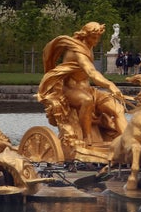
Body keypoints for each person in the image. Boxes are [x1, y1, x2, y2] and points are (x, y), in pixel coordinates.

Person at [36, 22, 129, 160]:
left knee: (118, 108)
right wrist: (110, 85)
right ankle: (87, 139)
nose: (96, 41)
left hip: (89, 90)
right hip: (71, 90)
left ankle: (128, 143)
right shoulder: (77, 51)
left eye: (98, 38)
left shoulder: (88, 47)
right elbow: (91, 72)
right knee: (87, 101)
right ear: (85, 36)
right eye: (93, 38)